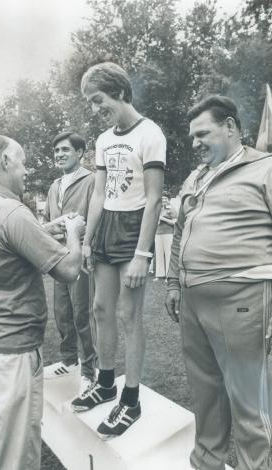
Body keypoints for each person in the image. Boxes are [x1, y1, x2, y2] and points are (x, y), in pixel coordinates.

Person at [0, 134, 85, 470]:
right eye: (22, 160)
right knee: (15, 457)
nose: (26, 170)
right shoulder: (13, 211)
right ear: (4, 162)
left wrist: (43, 229)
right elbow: (70, 270)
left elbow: (5, 245)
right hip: (9, 356)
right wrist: (73, 231)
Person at [166, 95, 272, 470]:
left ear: (230, 127)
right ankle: (206, 463)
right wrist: (174, 284)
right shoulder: (196, 177)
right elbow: (180, 230)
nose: (194, 143)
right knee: (206, 394)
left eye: (202, 133)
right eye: (192, 136)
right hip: (194, 300)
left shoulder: (266, 169)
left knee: (249, 402)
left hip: (243, 298)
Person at [71, 62, 166, 439]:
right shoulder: (103, 139)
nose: (95, 109)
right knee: (99, 309)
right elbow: (99, 193)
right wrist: (88, 240)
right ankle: (107, 382)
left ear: (121, 92)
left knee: (129, 315)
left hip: (134, 228)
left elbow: (155, 198)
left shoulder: (151, 133)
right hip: (107, 226)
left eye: (99, 100)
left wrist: (143, 254)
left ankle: (131, 399)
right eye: (91, 103)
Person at [43, 131, 97, 394]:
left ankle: (89, 370)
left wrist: (87, 247)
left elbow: (98, 219)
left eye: (65, 150)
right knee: (62, 313)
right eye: (56, 151)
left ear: (80, 153)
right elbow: (47, 221)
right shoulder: (54, 186)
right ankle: (69, 360)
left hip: (81, 257)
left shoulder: (92, 180)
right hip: (58, 257)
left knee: (82, 314)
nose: (60, 155)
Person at [153, 192, 177, 281]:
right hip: (158, 233)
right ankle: (159, 275)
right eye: (162, 199)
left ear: (169, 199)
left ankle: (169, 276)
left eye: (165, 198)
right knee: (158, 254)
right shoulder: (159, 209)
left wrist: (163, 219)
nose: (163, 200)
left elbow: (175, 222)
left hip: (168, 233)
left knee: (168, 254)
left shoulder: (171, 209)